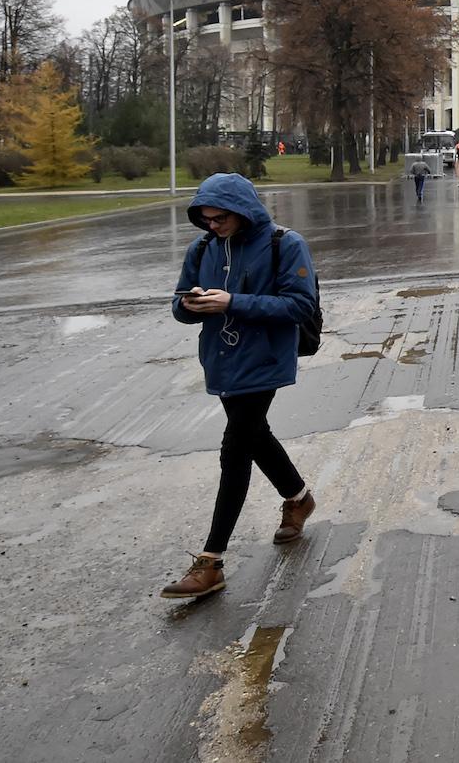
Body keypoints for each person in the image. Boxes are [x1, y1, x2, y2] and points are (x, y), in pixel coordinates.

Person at [161, 174, 320, 600]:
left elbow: (300, 305)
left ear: (242, 211)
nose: (213, 226)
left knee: (235, 447)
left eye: (220, 217)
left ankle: (211, 561)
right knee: (255, 436)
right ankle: (298, 497)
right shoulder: (203, 248)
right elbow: (179, 305)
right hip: (221, 360)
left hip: (264, 359)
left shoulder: (284, 244)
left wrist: (233, 301)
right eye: (206, 219)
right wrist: (191, 303)